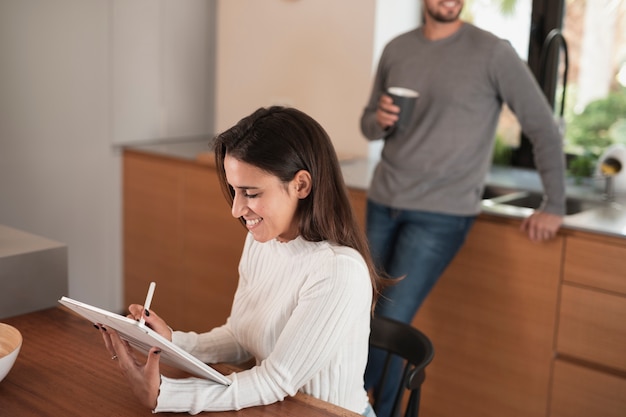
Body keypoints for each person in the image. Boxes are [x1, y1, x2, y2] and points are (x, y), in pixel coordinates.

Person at [100, 106, 384, 416]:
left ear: (301, 185)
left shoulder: (337, 270)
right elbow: (240, 335)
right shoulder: (263, 241)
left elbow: (276, 380)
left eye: (250, 193)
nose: (236, 209)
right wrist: (170, 341)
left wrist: (165, 395)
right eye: (235, 191)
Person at [360, 1, 566, 416]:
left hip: (441, 213)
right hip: (384, 201)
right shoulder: (397, 48)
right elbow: (367, 123)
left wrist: (555, 203)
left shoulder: (493, 52)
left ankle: (367, 411)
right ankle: (346, 405)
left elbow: (542, 125)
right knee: (359, 314)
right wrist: (378, 120)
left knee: (389, 324)